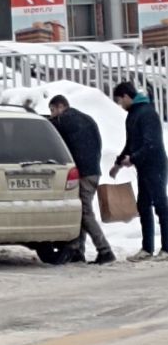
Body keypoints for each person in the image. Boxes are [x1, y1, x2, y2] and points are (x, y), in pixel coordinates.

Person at [49, 95, 116, 265]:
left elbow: (49, 127)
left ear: (60, 106)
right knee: (81, 210)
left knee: (85, 212)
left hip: (83, 172)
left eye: (52, 110)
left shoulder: (64, 120)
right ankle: (78, 250)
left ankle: (105, 250)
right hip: (93, 170)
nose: (52, 115)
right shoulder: (87, 119)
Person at [110, 81, 168, 262]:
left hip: (155, 165)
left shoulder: (147, 113)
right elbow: (131, 143)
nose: (120, 105)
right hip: (143, 167)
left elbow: (152, 144)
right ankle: (147, 248)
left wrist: (132, 158)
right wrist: (119, 163)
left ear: (126, 96)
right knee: (143, 205)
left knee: (161, 205)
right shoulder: (133, 115)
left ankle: (166, 248)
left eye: (120, 101)